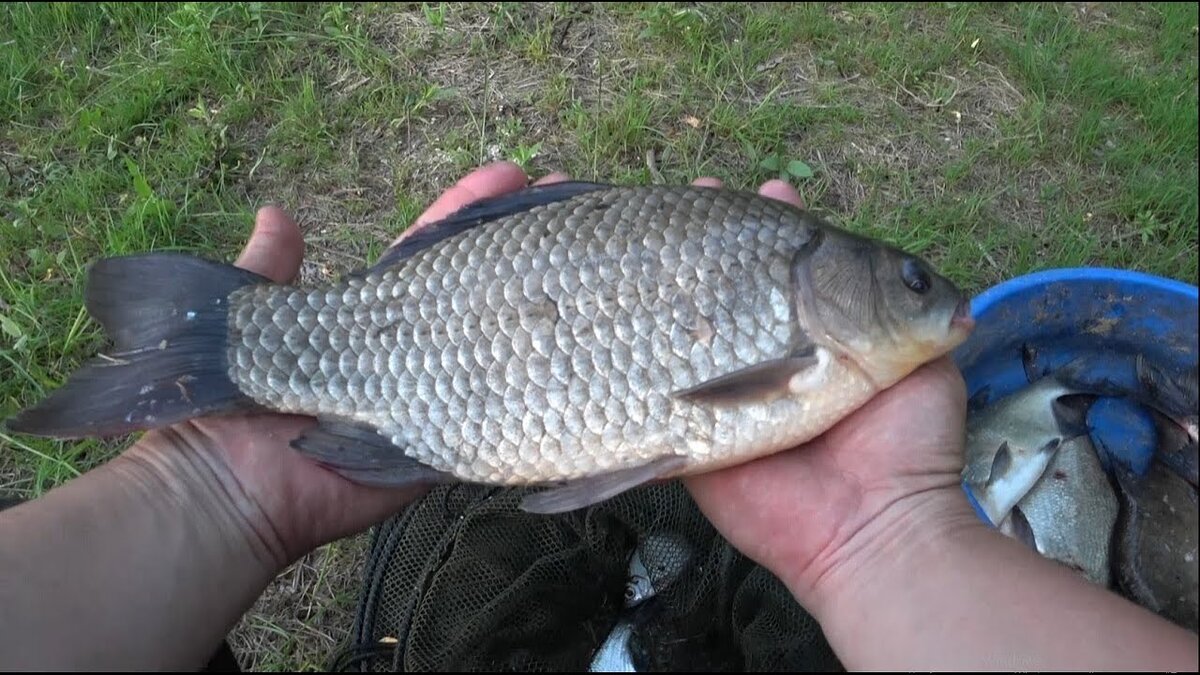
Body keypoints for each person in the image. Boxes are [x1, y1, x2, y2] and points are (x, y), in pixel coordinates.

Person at [0, 161, 1196, 672]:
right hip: (442, 349)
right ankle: (227, 347)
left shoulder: (807, 341)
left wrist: (892, 535)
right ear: (822, 285)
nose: (939, 307)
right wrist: (896, 544)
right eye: (914, 287)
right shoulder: (801, 342)